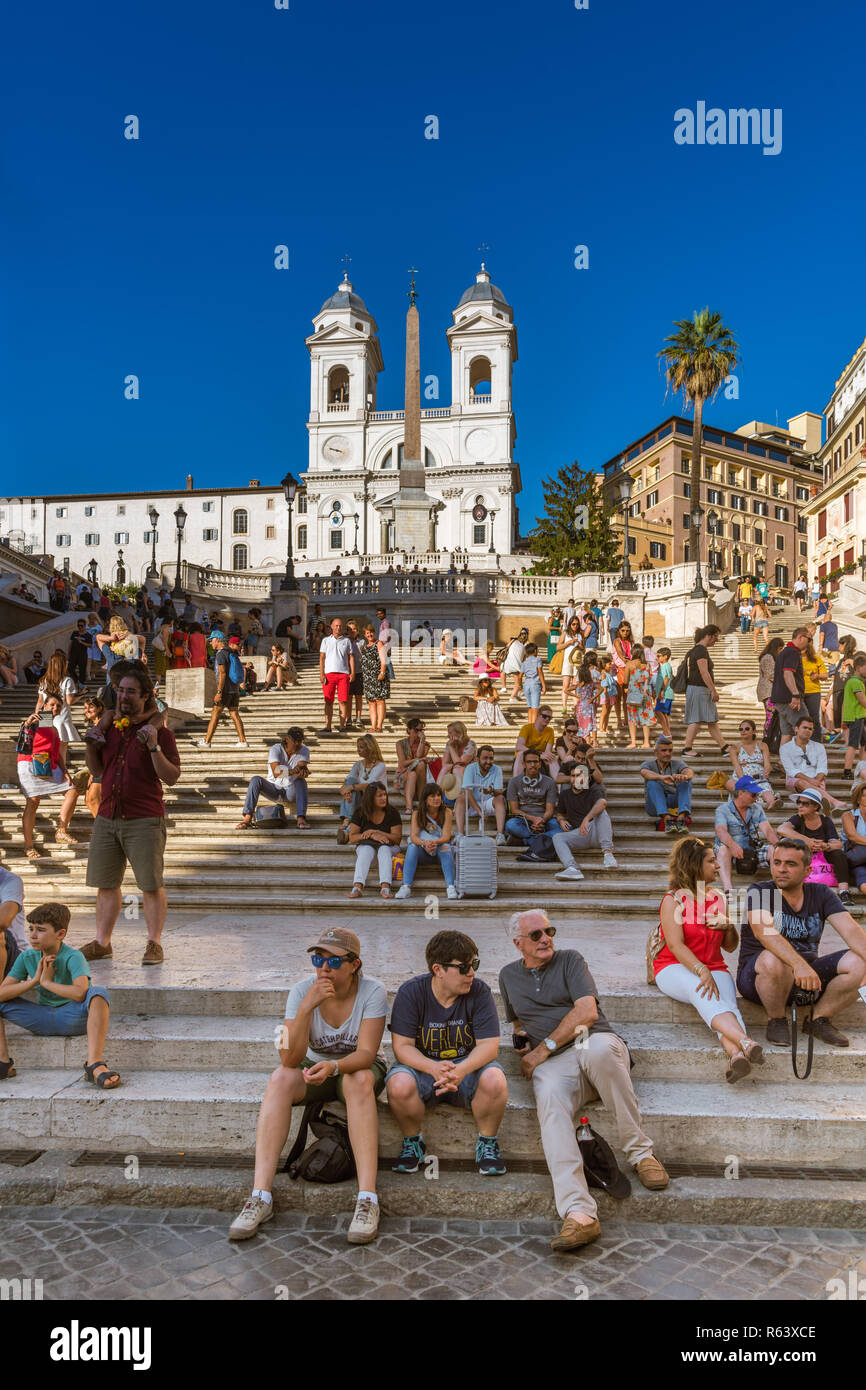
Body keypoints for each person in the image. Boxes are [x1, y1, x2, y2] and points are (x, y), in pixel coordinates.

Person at [500, 910, 668, 1250]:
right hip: (555, 1064)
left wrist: (543, 1047)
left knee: (598, 1052)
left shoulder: (570, 960)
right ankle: (579, 1214)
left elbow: (587, 1012)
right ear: (518, 943)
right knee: (546, 1094)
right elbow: (517, 1021)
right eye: (536, 935)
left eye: (549, 930)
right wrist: (522, 1040)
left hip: (592, 1042)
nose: (546, 938)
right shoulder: (507, 976)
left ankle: (641, 1154)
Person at [229, 928, 387, 1244]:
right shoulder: (302, 991)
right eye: (318, 959)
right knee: (279, 1079)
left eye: (333, 961)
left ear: (354, 964)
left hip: (357, 1069)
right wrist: (305, 1009)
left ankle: (367, 1199)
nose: (324, 967)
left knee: (357, 1081)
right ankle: (260, 1196)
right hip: (311, 1068)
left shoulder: (372, 991)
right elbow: (287, 1057)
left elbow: (367, 1053)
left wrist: (335, 1066)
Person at [80, 665, 181, 966]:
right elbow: (99, 771)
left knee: (150, 885)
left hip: (144, 818)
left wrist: (154, 748)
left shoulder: (160, 733)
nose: (123, 696)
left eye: (130, 691)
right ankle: (102, 942)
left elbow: (172, 777)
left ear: (146, 696)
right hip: (108, 815)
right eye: (120, 690)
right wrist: (89, 744)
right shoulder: (109, 726)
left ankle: (154, 943)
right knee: (105, 883)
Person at [386, 930, 507, 1176]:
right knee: (398, 1084)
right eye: (463, 967)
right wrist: (433, 1067)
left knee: (495, 1079)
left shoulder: (479, 992)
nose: (471, 972)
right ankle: (413, 1142)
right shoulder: (411, 992)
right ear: (438, 969)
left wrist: (460, 1070)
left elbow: (489, 1046)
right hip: (423, 1069)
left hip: (467, 1070)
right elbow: (402, 1047)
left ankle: (487, 1142)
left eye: (474, 964)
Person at [654, 838, 764, 1082]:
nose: (718, 866)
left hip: (715, 966)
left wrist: (729, 926)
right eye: (711, 861)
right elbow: (675, 944)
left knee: (729, 1006)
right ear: (694, 865)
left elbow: (730, 946)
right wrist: (700, 970)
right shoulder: (673, 899)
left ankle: (736, 1056)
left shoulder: (720, 897)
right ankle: (746, 1041)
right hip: (674, 966)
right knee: (701, 989)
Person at [737, 839, 866, 1047]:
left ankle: (819, 1019)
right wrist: (799, 965)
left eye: (790, 864)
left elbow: (851, 930)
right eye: (776, 862)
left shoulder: (821, 893)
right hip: (760, 979)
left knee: (860, 961)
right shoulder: (761, 891)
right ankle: (776, 1019)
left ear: (807, 871)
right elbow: (765, 933)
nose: (781, 869)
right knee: (773, 958)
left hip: (807, 979)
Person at [0, 902, 119, 1089]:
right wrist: (33, 982)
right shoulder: (27, 957)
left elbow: (80, 993)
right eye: (30, 929)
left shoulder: (73, 956)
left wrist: (47, 983)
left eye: (40, 930)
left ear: (60, 934)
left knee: (98, 993)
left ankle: (94, 1064)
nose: (32, 935)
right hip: (40, 1018)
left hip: (72, 1018)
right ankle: (3, 1063)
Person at [18, 699, 80, 857]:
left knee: (72, 791)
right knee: (33, 802)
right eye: (51, 704)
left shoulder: (53, 727)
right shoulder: (35, 721)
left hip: (49, 764)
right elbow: (24, 738)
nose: (55, 707)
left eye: (58, 706)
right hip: (29, 763)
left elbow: (57, 754)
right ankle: (28, 846)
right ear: (44, 706)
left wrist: (65, 771)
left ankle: (61, 831)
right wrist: (27, 723)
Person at [777, 788, 856, 905]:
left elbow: (838, 844)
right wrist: (807, 841)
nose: (800, 806)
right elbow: (781, 829)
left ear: (815, 807)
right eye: (799, 802)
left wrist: (826, 845)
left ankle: (844, 891)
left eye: (805, 803)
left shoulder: (825, 821)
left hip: (822, 855)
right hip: (803, 855)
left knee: (838, 854)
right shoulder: (798, 818)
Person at [551, 761, 617, 882]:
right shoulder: (565, 795)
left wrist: (586, 819)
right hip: (580, 834)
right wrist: (561, 820)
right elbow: (560, 814)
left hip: (596, 832)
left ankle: (608, 854)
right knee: (557, 837)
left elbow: (602, 803)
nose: (575, 779)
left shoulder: (593, 791)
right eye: (573, 776)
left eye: (579, 775)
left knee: (602, 813)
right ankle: (572, 868)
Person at [235, 727, 310, 831]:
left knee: (301, 781)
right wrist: (293, 771)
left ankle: (301, 819)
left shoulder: (304, 750)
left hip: (290, 791)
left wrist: (303, 772)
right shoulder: (276, 749)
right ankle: (247, 818)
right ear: (287, 739)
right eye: (295, 741)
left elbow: (301, 767)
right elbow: (276, 772)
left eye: (300, 741)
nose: (297, 744)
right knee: (255, 780)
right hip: (273, 788)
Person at [713, 777, 779, 895]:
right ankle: (728, 890)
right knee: (722, 849)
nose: (757, 798)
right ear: (741, 793)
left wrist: (779, 845)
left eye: (757, 794)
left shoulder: (757, 808)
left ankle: (778, 887)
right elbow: (721, 831)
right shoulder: (723, 809)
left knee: (773, 850)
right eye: (753, 795)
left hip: (750, 850)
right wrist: (733, 846)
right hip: (730, 852)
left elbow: (768, 830)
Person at [395, 782, 457, 900]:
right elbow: (414, 836)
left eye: (439, 795)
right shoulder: (417, 814)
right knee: (412, 846)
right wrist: (425, 844)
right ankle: (406, 887)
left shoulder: (447, 812)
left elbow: (446, 837)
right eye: (432, 796)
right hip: (423, 852)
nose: (437, 798)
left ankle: (450, 886)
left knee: (446, 847)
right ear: (425, 798)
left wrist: (433, 843)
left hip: (440, 852)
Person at [346, 782, 402, 900]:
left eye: (384, 795)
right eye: (379, 796)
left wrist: (378, 833)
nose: (384, 798)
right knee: (367, 849)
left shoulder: (392, 812)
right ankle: (357, 887)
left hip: (389, 848)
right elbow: (352, 838)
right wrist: (371, 835)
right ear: (371, 798)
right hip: (368, 850)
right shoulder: (360, 812)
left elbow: (397, 839)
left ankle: (385, 887)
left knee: (384, 849)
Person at [194, 631, 248, 749]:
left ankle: (207, 741)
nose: (210, 642)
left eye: (212, 640)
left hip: (225, 690)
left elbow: (222, 674)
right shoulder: (231, 652)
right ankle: (243, 741)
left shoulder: (221, 654)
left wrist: (219, 692)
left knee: (215, 713)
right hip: (234, 689)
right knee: (234, 713)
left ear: (218, 640)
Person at [779, 714, 845, 809]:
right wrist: (810, 781)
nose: (807, 731)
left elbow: (822, 768)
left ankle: (819, 804)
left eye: (810, 729)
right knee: (802, 783)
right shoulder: (785, 748)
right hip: (795, 781)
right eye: (804, 727)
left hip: (817, 780)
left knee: (808, 786)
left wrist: (817, 780)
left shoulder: (819, 747)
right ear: (796, 729)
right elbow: (791, 771)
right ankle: (833, 801)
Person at [681, 625, 727, 756]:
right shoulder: (700, 650)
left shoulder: (696, 650)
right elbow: (704, 672)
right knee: (696, 719)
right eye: (716, 636)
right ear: (709, 635)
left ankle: (724, 746)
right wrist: (714, 690)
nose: (716, 640)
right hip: (699, 689)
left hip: (698, 689)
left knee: (711, 719)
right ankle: (687, 748)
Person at [639, 734, 694, 833]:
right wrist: (661, 777)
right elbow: (644, 773)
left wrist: (684, 776)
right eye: (664, 751)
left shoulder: (678, 763)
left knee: (686, 782)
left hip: (674, 804)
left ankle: (681, 819)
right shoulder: (648, 764)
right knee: (652, 783)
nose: (668, 753)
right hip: (654, 806)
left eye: (670, 750)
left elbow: (689, 771)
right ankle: (667, 820)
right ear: (655, 752)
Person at [337, 735, 386, 842]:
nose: (358, 750)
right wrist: (345, 791)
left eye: (361, 747)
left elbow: (368, 785)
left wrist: (350, 788)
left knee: (354, 786)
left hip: (375, 799)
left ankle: (347, 827)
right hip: (359, 799)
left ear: (370, 748)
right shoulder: (358, 765)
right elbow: (346, 783)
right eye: (357, 747)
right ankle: (349, 818)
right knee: (350, 781)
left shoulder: (380, 766)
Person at [505, 749, 559, 844]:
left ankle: (525, 839)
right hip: (523, 821)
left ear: (540, 764)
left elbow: (550, 810)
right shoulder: (514, 782)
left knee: (558, 828)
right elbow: (514, 810)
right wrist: (533, 819)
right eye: (529, 762)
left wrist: (541, 821)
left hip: (544, 821)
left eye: (535, 761)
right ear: (523, 764)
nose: (532, 765)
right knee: (510, 825)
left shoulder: (549, 782)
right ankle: (540, 839)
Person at [457, 744, 507, 842]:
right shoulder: (470, 768)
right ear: (477, 759)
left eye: (491, 758)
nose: (488, 761)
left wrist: (491, 790)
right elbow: (467, 791)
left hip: (488, 801)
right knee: (461, 798)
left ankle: (500, 835)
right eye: (485, 758)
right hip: (472, 803)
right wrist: (480, 811)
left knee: (500, 798)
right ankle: (460, 834)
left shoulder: (497, 769)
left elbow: (499, 791)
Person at [770, 627, 809, 746]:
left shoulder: (785, 652)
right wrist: (795, 694)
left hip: (781, 699)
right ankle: (804, 761)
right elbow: (788, 673)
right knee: (805, 728)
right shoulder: (792, 652)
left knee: (787, 732)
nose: (809, 642)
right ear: (800, 637)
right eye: (809, 639)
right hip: (790, 699)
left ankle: (783, 761)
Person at [727, 718, 776, 810]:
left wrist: (767, 770)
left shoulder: (762, 745)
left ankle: (772, 802)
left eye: (747, 729)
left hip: (758, 778)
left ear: (754, 731)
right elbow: (737, 768)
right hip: (742, 778)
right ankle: (750, 797)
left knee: (766, 791)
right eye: (741, 729)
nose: (743, 731)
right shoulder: (734, 748)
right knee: (730, 784)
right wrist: (744, 780)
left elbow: (767, 763)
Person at [318, 617, 355, 735]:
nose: (338, 628)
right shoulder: (325, 640)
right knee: (328, 701)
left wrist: (352, 672)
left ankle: (342, 726)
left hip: (343, 674)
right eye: (336, 625)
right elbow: (322, 657)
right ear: (331, 627)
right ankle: (328, 726)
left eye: (340, 626)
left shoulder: (347, 641)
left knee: (343, 701)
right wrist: (321, 673)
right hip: (329, 674)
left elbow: (351, 657)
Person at [395, 717, 436, 816]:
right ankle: (409, 806)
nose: (418, 733)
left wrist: (422, 740)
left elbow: (418, 756)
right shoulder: (400, 743)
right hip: (404, 773)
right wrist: (418, 760)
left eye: (421, 730)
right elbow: (403, 763)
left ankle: (419, 800)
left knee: (421, 764)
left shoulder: (425, 744)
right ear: (409, 730)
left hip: (420, 774)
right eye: (416, 730)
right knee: (412, 773)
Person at [513, 704, 558, 779]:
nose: (547, 719)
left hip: (539, 759)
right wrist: (538, 754)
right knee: (520, 753)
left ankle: (559, 787)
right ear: (537, 715)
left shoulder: (550, 731)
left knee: (552, 757)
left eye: (549, 717)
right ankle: (515, 784)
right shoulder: (527, 728)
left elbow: (548, 752)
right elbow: (519, 746)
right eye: (544, 716)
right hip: (524, 758)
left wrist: (542, 756)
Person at [359, 623, 390, 732]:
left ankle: (379, 726)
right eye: (367, 633)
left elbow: (383, 659)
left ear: (374, 633)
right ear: (365, 635)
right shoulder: (364, 647)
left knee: (380, 700)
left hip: (378, 675)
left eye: (371, 632)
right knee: (371, 702)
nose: (369, 634)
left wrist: (382, 672)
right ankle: (373, 726)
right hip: (368, 677)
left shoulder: (379, 644)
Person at [624, 643, 654, 750]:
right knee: (645, 718)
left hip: (633, 694)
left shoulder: (629, 664)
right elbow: (649, 680)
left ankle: (633, 742)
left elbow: (625, 680)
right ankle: (646, 742)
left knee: (632, 718)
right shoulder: (647, 665)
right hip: (644, 694)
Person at [438, 722, 477, 802]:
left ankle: (461, 795)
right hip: (456, 771)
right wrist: (451, 747)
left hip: (470, 771)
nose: (448, 735)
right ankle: (436, 792)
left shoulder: (470, 744)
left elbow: (460, 763)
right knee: (448, 768)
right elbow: (444, 764)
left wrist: (451, 748)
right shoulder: (450, 743)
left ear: (459, 733)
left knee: (457, 768)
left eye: (450, 733)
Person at [842, 654, 866, 779]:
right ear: (858, 668)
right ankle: (847, 772)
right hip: (855, 717)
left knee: (864, 743)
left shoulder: (857, 682)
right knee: (852, 745)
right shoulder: (855, 682)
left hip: (859, 716)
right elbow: (863, 702)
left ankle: (863, 767)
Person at [842, 784, 866, 898]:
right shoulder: (848, 815)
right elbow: (852, 836)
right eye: (865, 795)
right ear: (858, 799)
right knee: (861, 875)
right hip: (856, 859)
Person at [344, 620, 366, 727]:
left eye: (354, 629)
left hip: (359, 671)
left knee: (358, 696)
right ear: (347, 631)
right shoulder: (344, 641)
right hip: (347, 672)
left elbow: (364, 656)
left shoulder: (362, 642)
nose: (352, 631)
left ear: (357, 630)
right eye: (350, 629)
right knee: (348, 697)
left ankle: (358, 717)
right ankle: (348, 718)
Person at [572, 658, 599, 745]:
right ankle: (593, 742)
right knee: (592, 723)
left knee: (582, 724)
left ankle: (585, 742)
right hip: (588, 705)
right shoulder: (591, 684)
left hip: (580, 706)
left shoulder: (578, 685)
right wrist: (593, 697)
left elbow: (566, 690)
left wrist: (576, 696)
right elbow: (601, 689)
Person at [520, 642, 546, 722]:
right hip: (535, 684)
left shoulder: (524, 662)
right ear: (535, 651)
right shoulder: (537, 660)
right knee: (535, 707)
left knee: (530, 707)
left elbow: (520, 676)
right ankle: (533, 727)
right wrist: (544, 686)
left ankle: (529, 725)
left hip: (526, 684)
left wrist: (520, 686)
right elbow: (540, 672)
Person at [501, 628, 528, 701]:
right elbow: (524, 659)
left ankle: (504, 687)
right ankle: (512, 697)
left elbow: (506, 647)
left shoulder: (514, 641)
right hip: (516, 665)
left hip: (507, 663)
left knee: (502, 670)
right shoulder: (525, 646)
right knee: (517, 684)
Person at [653, 644, 673, 739]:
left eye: (659, 656)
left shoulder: (665, 666)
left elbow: (666, 679)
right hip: (665, 693)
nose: (657, 658)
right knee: (664, 713)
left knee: (658, 711)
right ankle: (667, 733)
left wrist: (661, 691)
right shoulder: (664, 666)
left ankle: (666, 732)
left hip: (665, 694)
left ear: (665, 657)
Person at [67, 620, 90, 686]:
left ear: (85, 626)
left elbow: (90, 645)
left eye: (81, 625)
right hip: (73, 654)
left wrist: (81, 642)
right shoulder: (75, 633)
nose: (80, 627)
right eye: (78, 625)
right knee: (70, 668)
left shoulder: (88, 635)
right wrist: (68, 653)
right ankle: (77, 680)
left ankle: (81, 684)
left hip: (82, 655)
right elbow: (70, 643)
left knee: (82, 670)